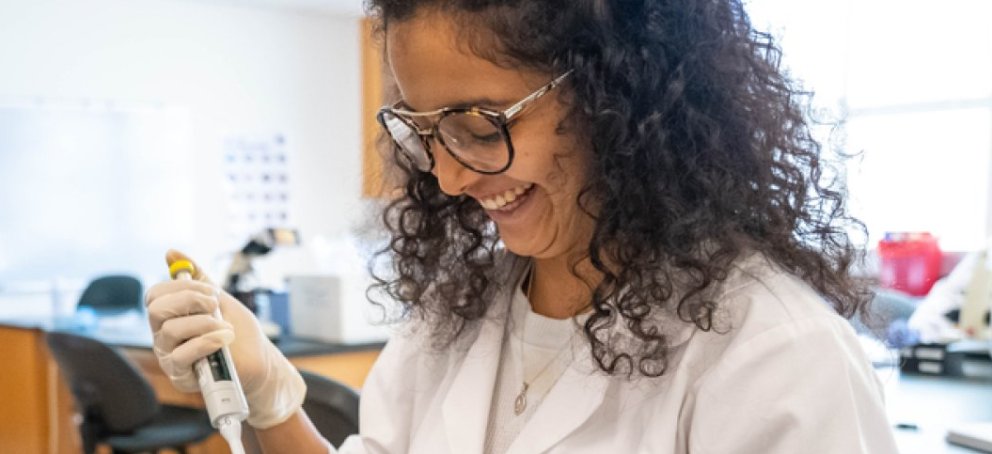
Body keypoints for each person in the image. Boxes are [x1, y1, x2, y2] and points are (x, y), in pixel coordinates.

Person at [145, 0, 900, 452]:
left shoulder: (773, 356)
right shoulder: (462, 309)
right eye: (424, 129)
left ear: (621, 97)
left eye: (478, 124)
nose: (447, 175)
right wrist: (274, 400)